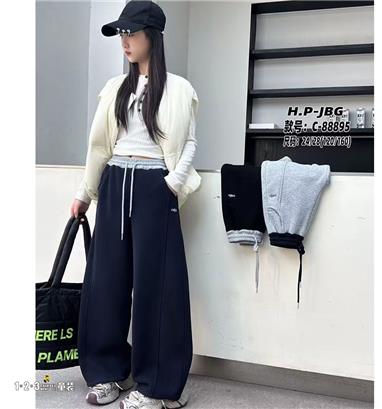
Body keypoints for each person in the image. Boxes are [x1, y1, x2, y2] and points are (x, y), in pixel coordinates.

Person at [70, 2, 200, 408]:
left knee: (157, 287)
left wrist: (172, 184)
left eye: (131, 33)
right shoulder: (115, 88)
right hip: (115, 183)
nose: (124, 41)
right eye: (121, 34)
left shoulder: (179, 88)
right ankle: (107, 372)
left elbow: (190, 142)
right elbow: (98, 147)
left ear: (152, 36)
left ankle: (158, 387)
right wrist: (85, 193)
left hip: (153, 187)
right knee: (105, 282)